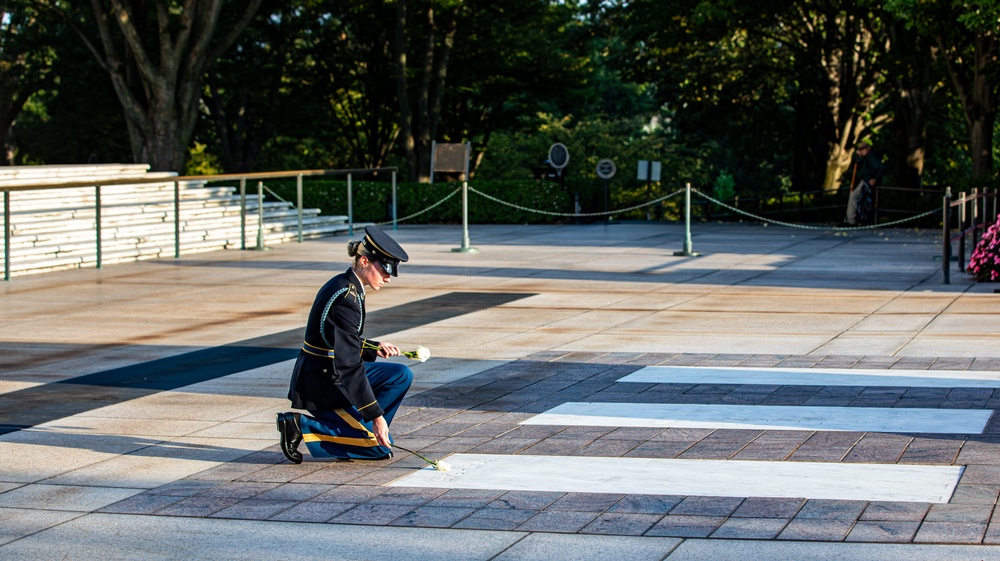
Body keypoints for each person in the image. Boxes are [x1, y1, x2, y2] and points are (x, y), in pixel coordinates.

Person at [277, 225, 413, 463]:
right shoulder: (346, 297)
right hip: (322, 381)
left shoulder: (348, 286)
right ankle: (300, 425)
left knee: (400, 375)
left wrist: (372, 347)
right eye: (384, 269)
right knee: (377, 450)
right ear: (363, 261)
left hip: (329, 370)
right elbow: (348, 363)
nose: (388, 277)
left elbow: (339, 340)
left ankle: (360, 434)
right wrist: (376, 415)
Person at [845, 140, 886, 225]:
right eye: (860, 149)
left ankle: (851, 220)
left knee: (854, 196)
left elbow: (881, 168)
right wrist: (859, 156)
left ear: (868, 149)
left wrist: (875, 179)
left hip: (866, 182)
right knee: (857, 198)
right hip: (864, 181)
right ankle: (852, 219)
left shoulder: (872, 158)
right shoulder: (866, 158)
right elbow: (859, 165)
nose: (862, 151)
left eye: (863, 149)